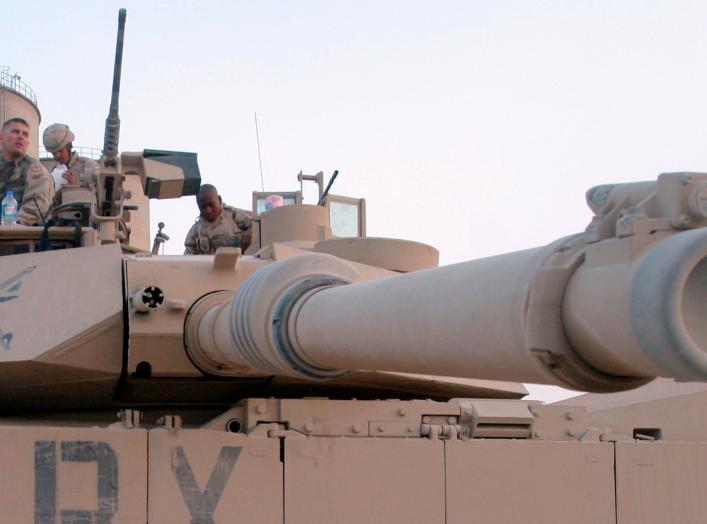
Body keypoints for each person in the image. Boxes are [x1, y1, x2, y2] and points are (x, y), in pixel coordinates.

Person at [0, 117, 54, 225]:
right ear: (1, 138)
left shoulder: (35, 170)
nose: (20, 137)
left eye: (25, 134)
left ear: (28, 142)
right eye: (15, 132)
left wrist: (9, 226)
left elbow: (33, 210)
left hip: (20, 235)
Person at [184, 184, 254, 254]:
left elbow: (257, 224)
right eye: (203, 207)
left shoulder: (233, 215)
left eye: (211, 205)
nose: (208, 210)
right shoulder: (196, 230)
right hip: (211, 264)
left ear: (219, 199)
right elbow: (187, 257)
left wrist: (250, 231)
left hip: (240, 262)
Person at [42, 123, 98, 191]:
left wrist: (76, 187)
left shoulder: (89, 165)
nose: (57, 156)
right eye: (54, 153)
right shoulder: (54, 172)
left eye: (60, 151)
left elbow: (99, 195)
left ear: (69, 146)